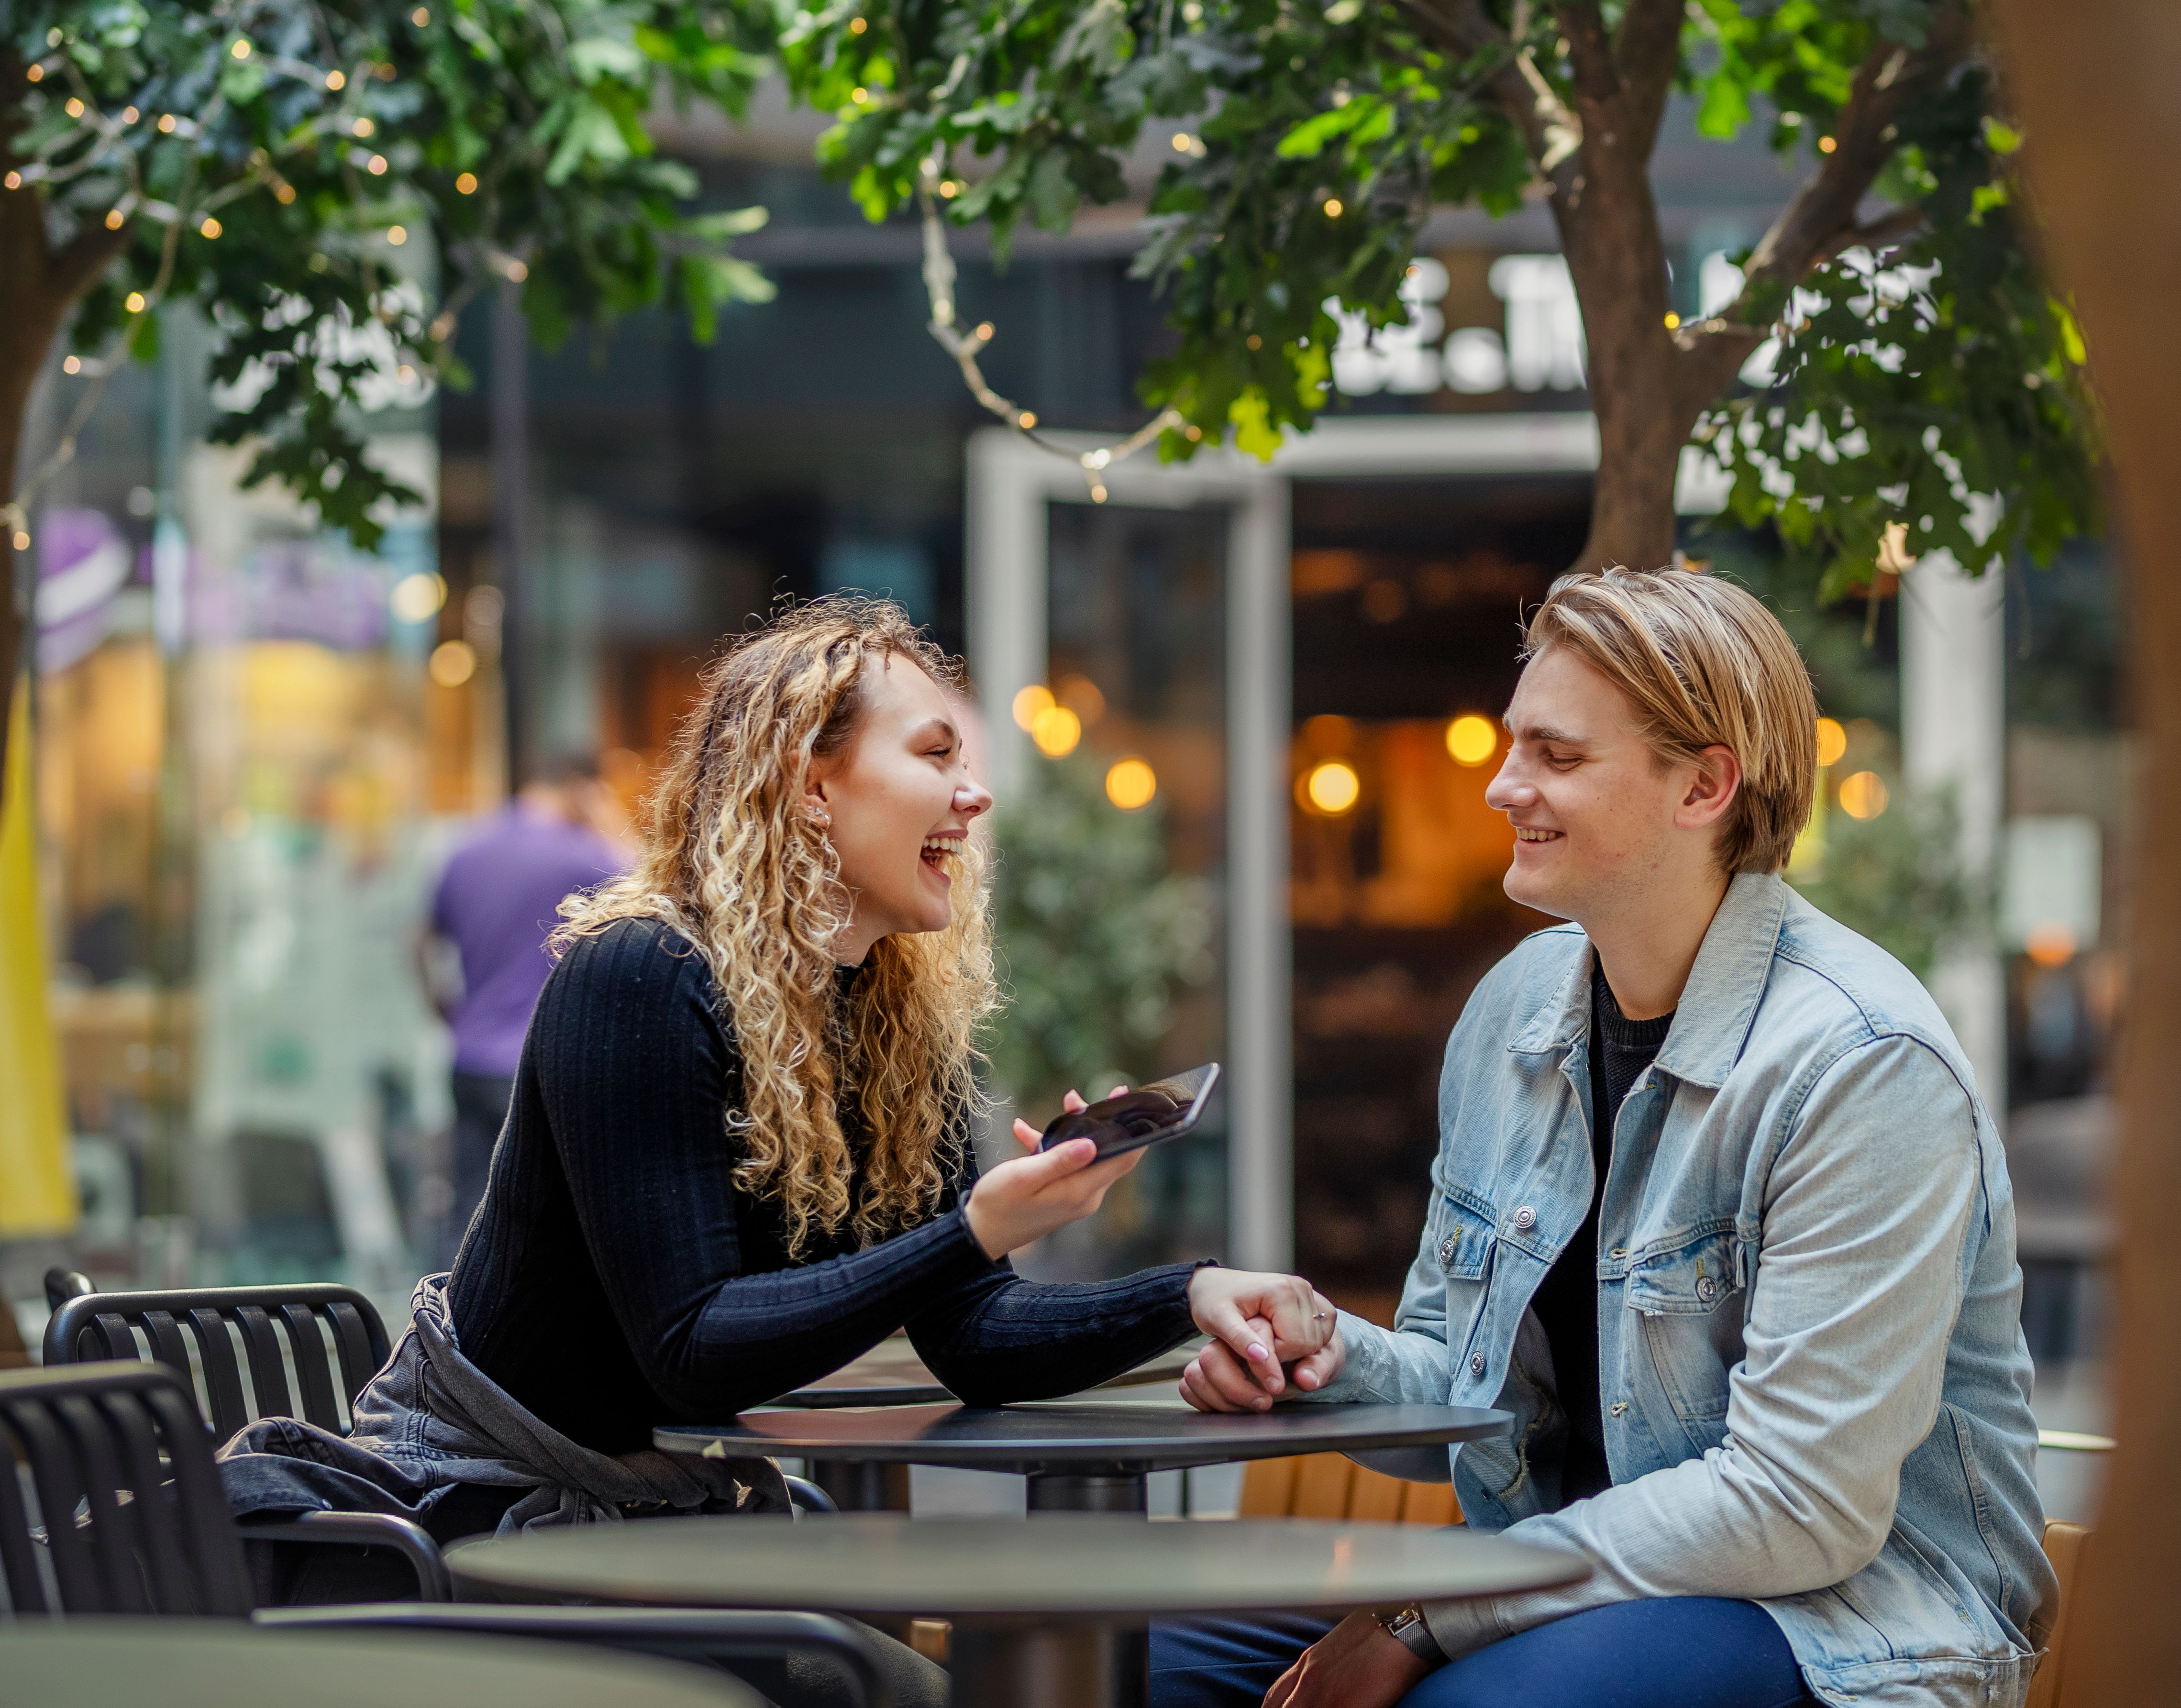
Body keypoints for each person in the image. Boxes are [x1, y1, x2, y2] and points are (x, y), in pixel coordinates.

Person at [223, 599, 1333, 1686]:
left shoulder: (889, 1015)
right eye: (936, 751)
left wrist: (1187, 1293)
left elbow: (972, 1335)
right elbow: (691, 1347)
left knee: (922, 1672)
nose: (976, 791)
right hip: (488, 1528)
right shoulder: (641, 976)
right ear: (809, 783)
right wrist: (974, 1226)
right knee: (891, 1681)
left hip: (674, 1519)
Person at [1159, 569, 2052, 1708]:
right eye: (1509, 744)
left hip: (1851, 1624)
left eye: (1557, 756)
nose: (1499, 785)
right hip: (1569, 1586)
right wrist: (1320, 1351)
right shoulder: (1513, 1012)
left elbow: (1795, 1506)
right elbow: (1464, 1396)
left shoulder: (1861, 1063)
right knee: (1147, 1668)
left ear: (1704, 786)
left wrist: (1428, 1614)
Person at [417, 754, 628, 1265]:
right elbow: (664, 888)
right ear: (580, 789)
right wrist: (609, 820)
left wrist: (447, 1011)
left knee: (469, 1203)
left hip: (469, 1059)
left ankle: (443, 1328)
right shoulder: (581, 853)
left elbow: (421, 943)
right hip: (541, 1063)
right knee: (557, 1216)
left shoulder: (465, 851)